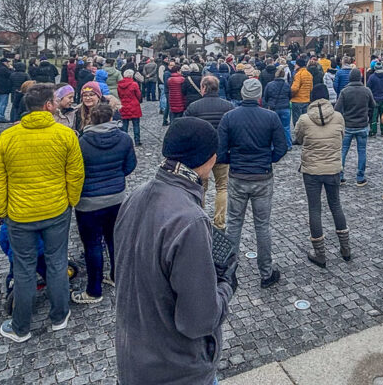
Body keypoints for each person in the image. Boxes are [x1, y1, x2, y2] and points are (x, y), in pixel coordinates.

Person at [114, 116, 235, 385]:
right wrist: (226, 284)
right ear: (210, 159)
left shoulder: (135, 195)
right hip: (177, 369)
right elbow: (198, 322)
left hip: (134, 355)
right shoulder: (190, 220)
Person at [0, 84, 85, 342]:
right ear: (48, 106)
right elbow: (75, 173)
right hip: (56, 209)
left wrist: (3, 210)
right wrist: (70, 201)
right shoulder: (65, 135)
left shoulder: (8, 137)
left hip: (19, 214)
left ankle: (20, 326)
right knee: (56, 262)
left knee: (23, 267)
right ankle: (59, 315)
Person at [218, 78, 288, 288]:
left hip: (239, 175)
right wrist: (268, 160)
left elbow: (220, 152)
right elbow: (282, 147)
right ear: (259, 95)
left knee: (233, 224)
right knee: (262, 226)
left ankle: (229, 272)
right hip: (262, 176)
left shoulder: (229, 117)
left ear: (242, 93)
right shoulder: (270, 117)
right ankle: (266, 273)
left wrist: (235, 161)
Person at [71, 102, 136, 304]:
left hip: (88, 201)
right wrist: (116, 177)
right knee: (114, 239)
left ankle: (94, 290)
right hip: (116, 197)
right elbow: (130, 165)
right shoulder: (124, 139)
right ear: (111, 118)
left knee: (92, 245)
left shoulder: (82, 142)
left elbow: (75, 172)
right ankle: (116, 276)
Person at [293, 84, 350, 267]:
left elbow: (299, 139)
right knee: (336, 205)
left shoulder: (304, 119)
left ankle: (320, 253)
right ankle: (345, 249)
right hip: (333, 168)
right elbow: (341, 135)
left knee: (314, 208)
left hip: (311, 170)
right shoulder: (338, 117)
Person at [186, 76, 235, 230]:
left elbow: (186, 130)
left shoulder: (193, 107)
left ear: (204, 88)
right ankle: (219, 223)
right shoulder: (228, 106)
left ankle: (200, 220)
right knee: (222, 187)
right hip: (221, 153)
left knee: (200, 188)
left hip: (201, 155)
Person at [335, 68, 375, 186]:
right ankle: (360, 177)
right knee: (362, 151)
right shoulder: (366, 90)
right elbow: (373, 105)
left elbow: (337, 109)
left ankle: (340, 175)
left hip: (347, 125)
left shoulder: (344, 92)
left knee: (343, 150)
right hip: (362, 125)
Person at [262, 65, 293, 148]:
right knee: (286, 127)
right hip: (285, 107)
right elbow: (290, 95)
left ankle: (272, 145)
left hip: (273, 108)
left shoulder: (269, 85)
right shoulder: (287, 85)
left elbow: (266, 96)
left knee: (272, 128)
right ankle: (288, 144)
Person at [118, 69, 143, 146]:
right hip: (134, 105)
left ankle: (124, 141)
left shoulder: (119, 85)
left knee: (125, 125)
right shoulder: (134, 84)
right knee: (136, 124)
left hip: (123, 105)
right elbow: (138, 95)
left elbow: (119, 95)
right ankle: (137, 140)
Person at [366, 62, 383, 136]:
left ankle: (373, 130)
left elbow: (368, 87)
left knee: (374, 116)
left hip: (374, 99)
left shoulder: (372, 77)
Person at [290, 57, 313, 127]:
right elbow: (311, 88)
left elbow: (294, 88)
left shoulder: (298, 74)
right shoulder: (309, 74)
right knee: (305, 121)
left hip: (297, 100)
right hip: (306, 100)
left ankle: (298, 136)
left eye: (296, 64)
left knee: (297, 121)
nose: (295, 66)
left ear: (299, 65)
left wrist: (291, 95)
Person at [0, 58, 14, 123]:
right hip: (4, 88)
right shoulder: (4, 69)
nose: (8, 64)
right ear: (4, 62)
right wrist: (11, 69)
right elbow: (11, 75)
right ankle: (1, 117)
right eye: (8, 62)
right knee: (3, 103)